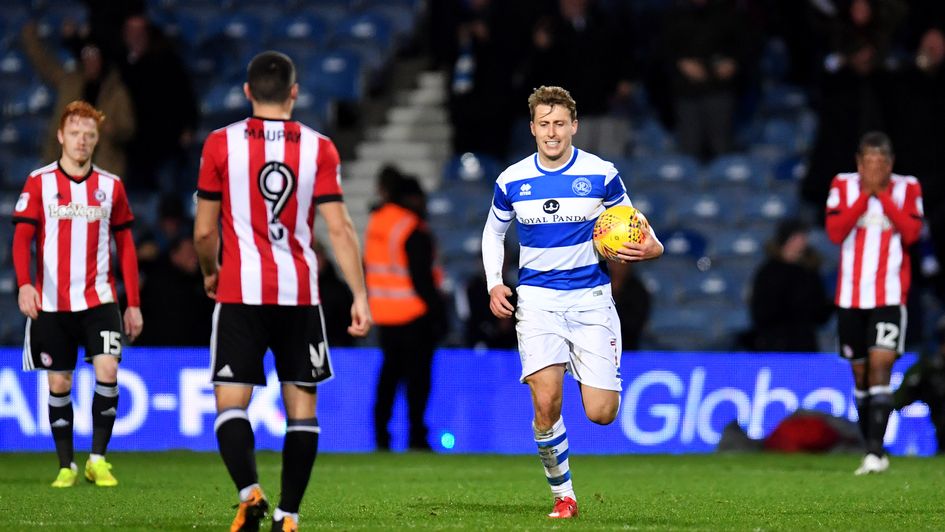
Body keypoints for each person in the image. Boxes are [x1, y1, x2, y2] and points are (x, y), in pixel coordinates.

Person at [193, 51, 371, 532]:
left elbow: (205, 233)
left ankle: (250, 492)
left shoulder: (220, 143)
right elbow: (340, 229)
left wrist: (211, 271)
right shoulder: (320, 148)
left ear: (248, 92)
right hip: (298, 295)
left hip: (239, 292)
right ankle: (288, 516)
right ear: (294, 92)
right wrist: (359, 294)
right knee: (301, 410)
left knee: (231, 404)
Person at [481, 86, 663, 518]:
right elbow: (493, 233)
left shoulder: (602, 174)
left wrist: (652, 248)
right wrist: (494, 283)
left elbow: (635, 228)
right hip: (538, 303)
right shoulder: (512, 180)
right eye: (543, 124)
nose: (551, 132)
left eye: (559, 123)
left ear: (574, 126)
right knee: (546, 404)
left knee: (601, 413)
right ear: (532, 128)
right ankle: (565, 496)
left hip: (591, 302)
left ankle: (596, 372)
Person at [13, 100, 143, 488]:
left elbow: (127, 245)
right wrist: (24, 283)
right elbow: (22, 239)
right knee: (60, 383)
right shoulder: (39, 182)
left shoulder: (111, 186)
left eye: (89, 135)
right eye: (75, 133)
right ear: (60, 136)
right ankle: (66, 465)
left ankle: (97, 460)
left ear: (97, 139)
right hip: (52, 302)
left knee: (108, 369)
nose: (82, 141)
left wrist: (132, 302)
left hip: (99, 299)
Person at [825, 131, 923, 475]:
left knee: (882, 366)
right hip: (850, 297)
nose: (873, 167)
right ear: (858, 162)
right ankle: (871, 446)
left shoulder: (908, 187)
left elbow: (911, 235)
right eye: (867, 161)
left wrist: (882, 194)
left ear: (891, 164)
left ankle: (875, 451)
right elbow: (835, 232)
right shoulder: (842, 185)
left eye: (880, 162)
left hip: (889, 296)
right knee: (861, 374)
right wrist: (865, 195)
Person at [365, 174, 445, 451]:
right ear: (413, 198)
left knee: (388, 379)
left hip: (384, 314)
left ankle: (381, 437)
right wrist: (438, 314)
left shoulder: (377, 221)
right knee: (417, 382)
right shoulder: (410, 227)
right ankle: (416, 437)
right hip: (414, 315)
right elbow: (422, 278)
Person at [21, 21, 135, 177]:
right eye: (87, 56)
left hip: (102, 167)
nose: (91, 61)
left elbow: (128, 127)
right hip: (65, 164)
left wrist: (112, 129)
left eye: (95, 56)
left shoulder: (116, 90)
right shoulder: (70, 82)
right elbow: (45, 65)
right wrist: (30, 37)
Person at [749, 219, 833, 352]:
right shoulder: (769, 272)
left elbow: (820, 312)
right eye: (796, 237)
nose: (801, 241)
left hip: (804, 343)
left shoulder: (810, 271)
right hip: (775, 344)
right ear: (786, 240)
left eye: (803, 236)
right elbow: (761, 311)